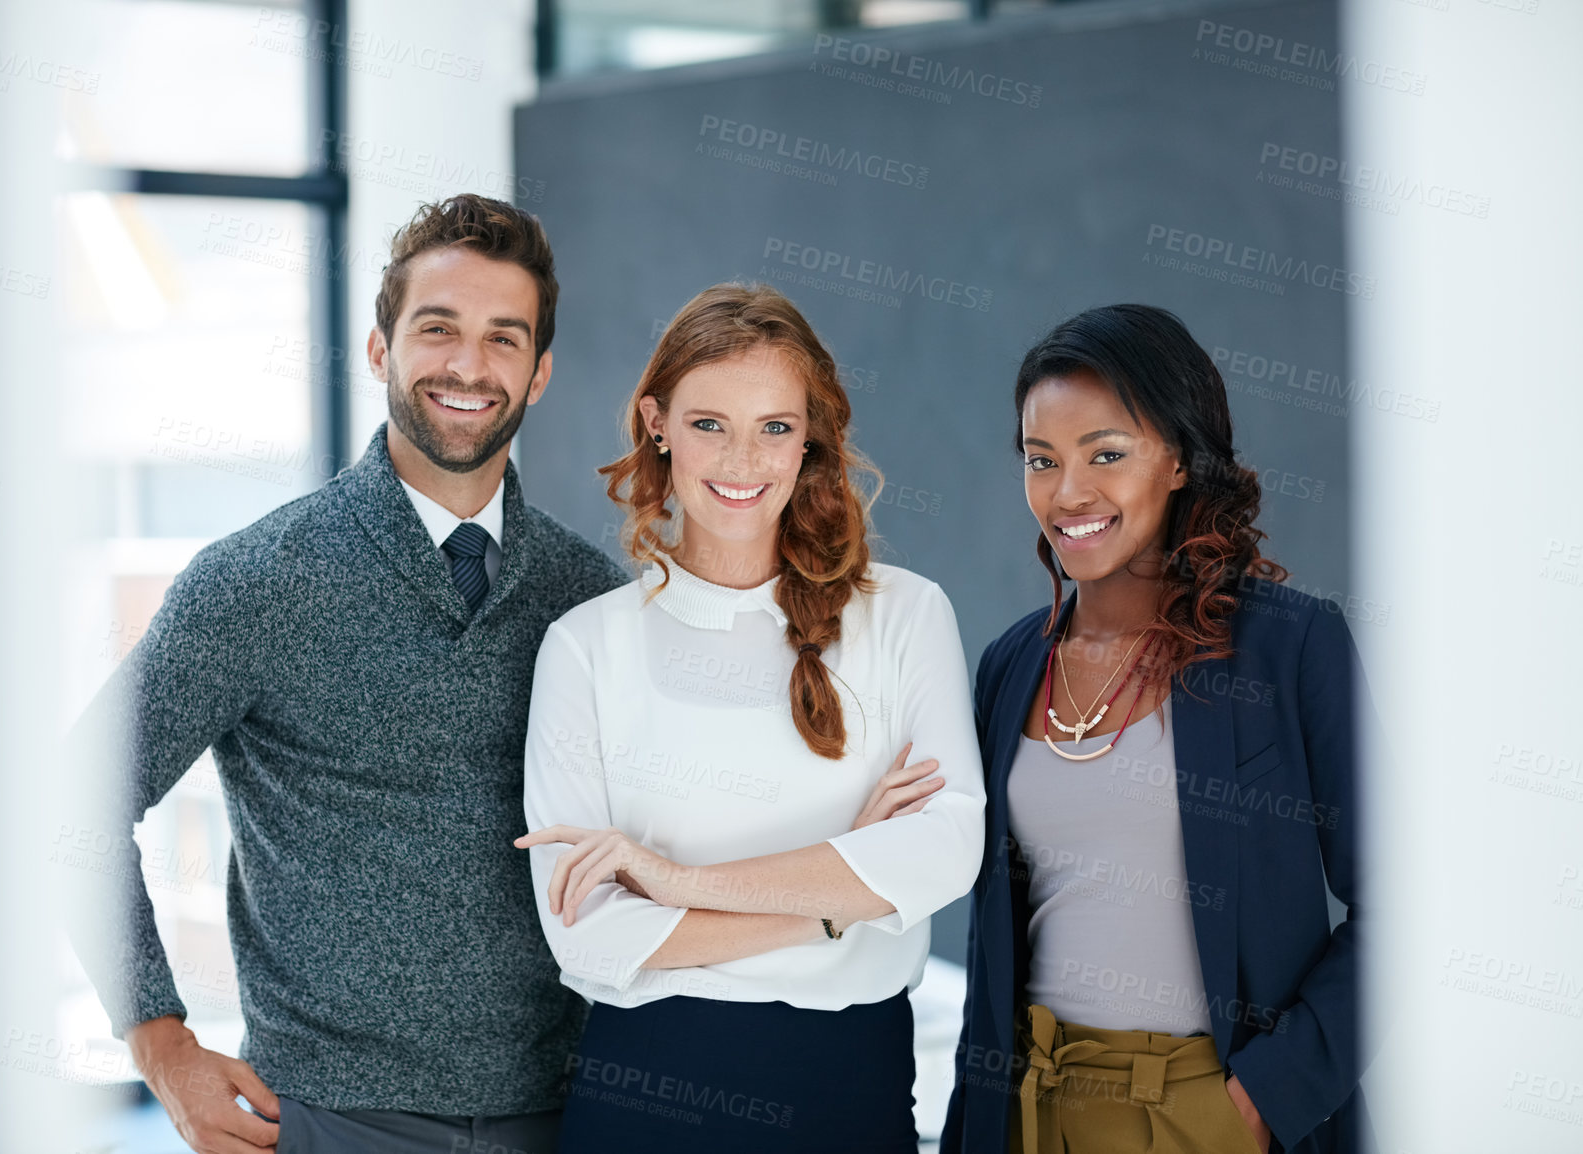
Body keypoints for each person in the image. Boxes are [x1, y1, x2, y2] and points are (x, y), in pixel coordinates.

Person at [64, 193, 629, 1154]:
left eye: (504, 339)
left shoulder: (590, 594)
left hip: (565, 1112)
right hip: (329, 1119)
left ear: (537, 376)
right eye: (437, 329)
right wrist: (161, 1044)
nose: (467, 365)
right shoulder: (255, 583)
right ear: (379, 351)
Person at [512, 283, 985, 1154]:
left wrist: (677, 881)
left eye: (774, 426)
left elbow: (945, 849)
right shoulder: (584, 646)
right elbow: (588, 936)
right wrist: (837, 904)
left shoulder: (907, 617)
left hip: (848, 1084)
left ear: (811, 434)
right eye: (707, 425)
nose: (741, 461)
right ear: (656, 422)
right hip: (643, 1091)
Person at [939, 304, 1372, 1154]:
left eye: (1107, 453)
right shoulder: (1007, 666)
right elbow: (990, 955)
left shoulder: (1288, 647)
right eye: (1041, 460)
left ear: (1176, 459)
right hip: (1034, 1111)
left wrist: (1260, 1102)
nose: (1069, 493)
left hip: (1210, 1115)